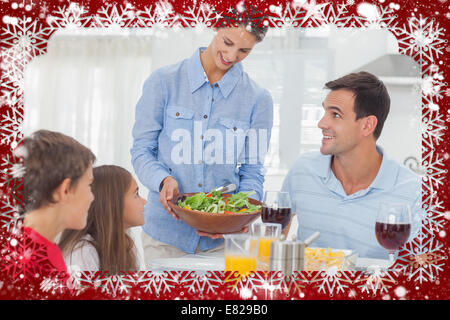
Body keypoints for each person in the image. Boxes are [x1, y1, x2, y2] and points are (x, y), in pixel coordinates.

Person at [131, 22, 273, 266]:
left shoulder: (258, 99)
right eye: (227, 43)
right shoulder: (163, 82)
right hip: (165, 238)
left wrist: (240, 218)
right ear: (216, 27)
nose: (231, 56)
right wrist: (163, 180)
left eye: (244, 51)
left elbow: (252, 170)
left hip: (224, 243)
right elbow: (142, 150)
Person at [281, 71, 422, 259]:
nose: (321, 123)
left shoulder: (413, 192)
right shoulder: (303, 170)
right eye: (324, 112)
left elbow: (421, 269)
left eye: (336, 115)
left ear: (367, 125)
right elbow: (274, 236)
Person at [11, 129, 96, 278]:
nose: (92, 197)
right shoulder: (25, 263)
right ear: (65, 190)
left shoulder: (47, 251)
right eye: (89, 185)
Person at [59, 165, 147, 274]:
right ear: (113, 204)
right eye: (136, 195)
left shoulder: (126, 245)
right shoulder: (83, 253)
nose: (144, 202)